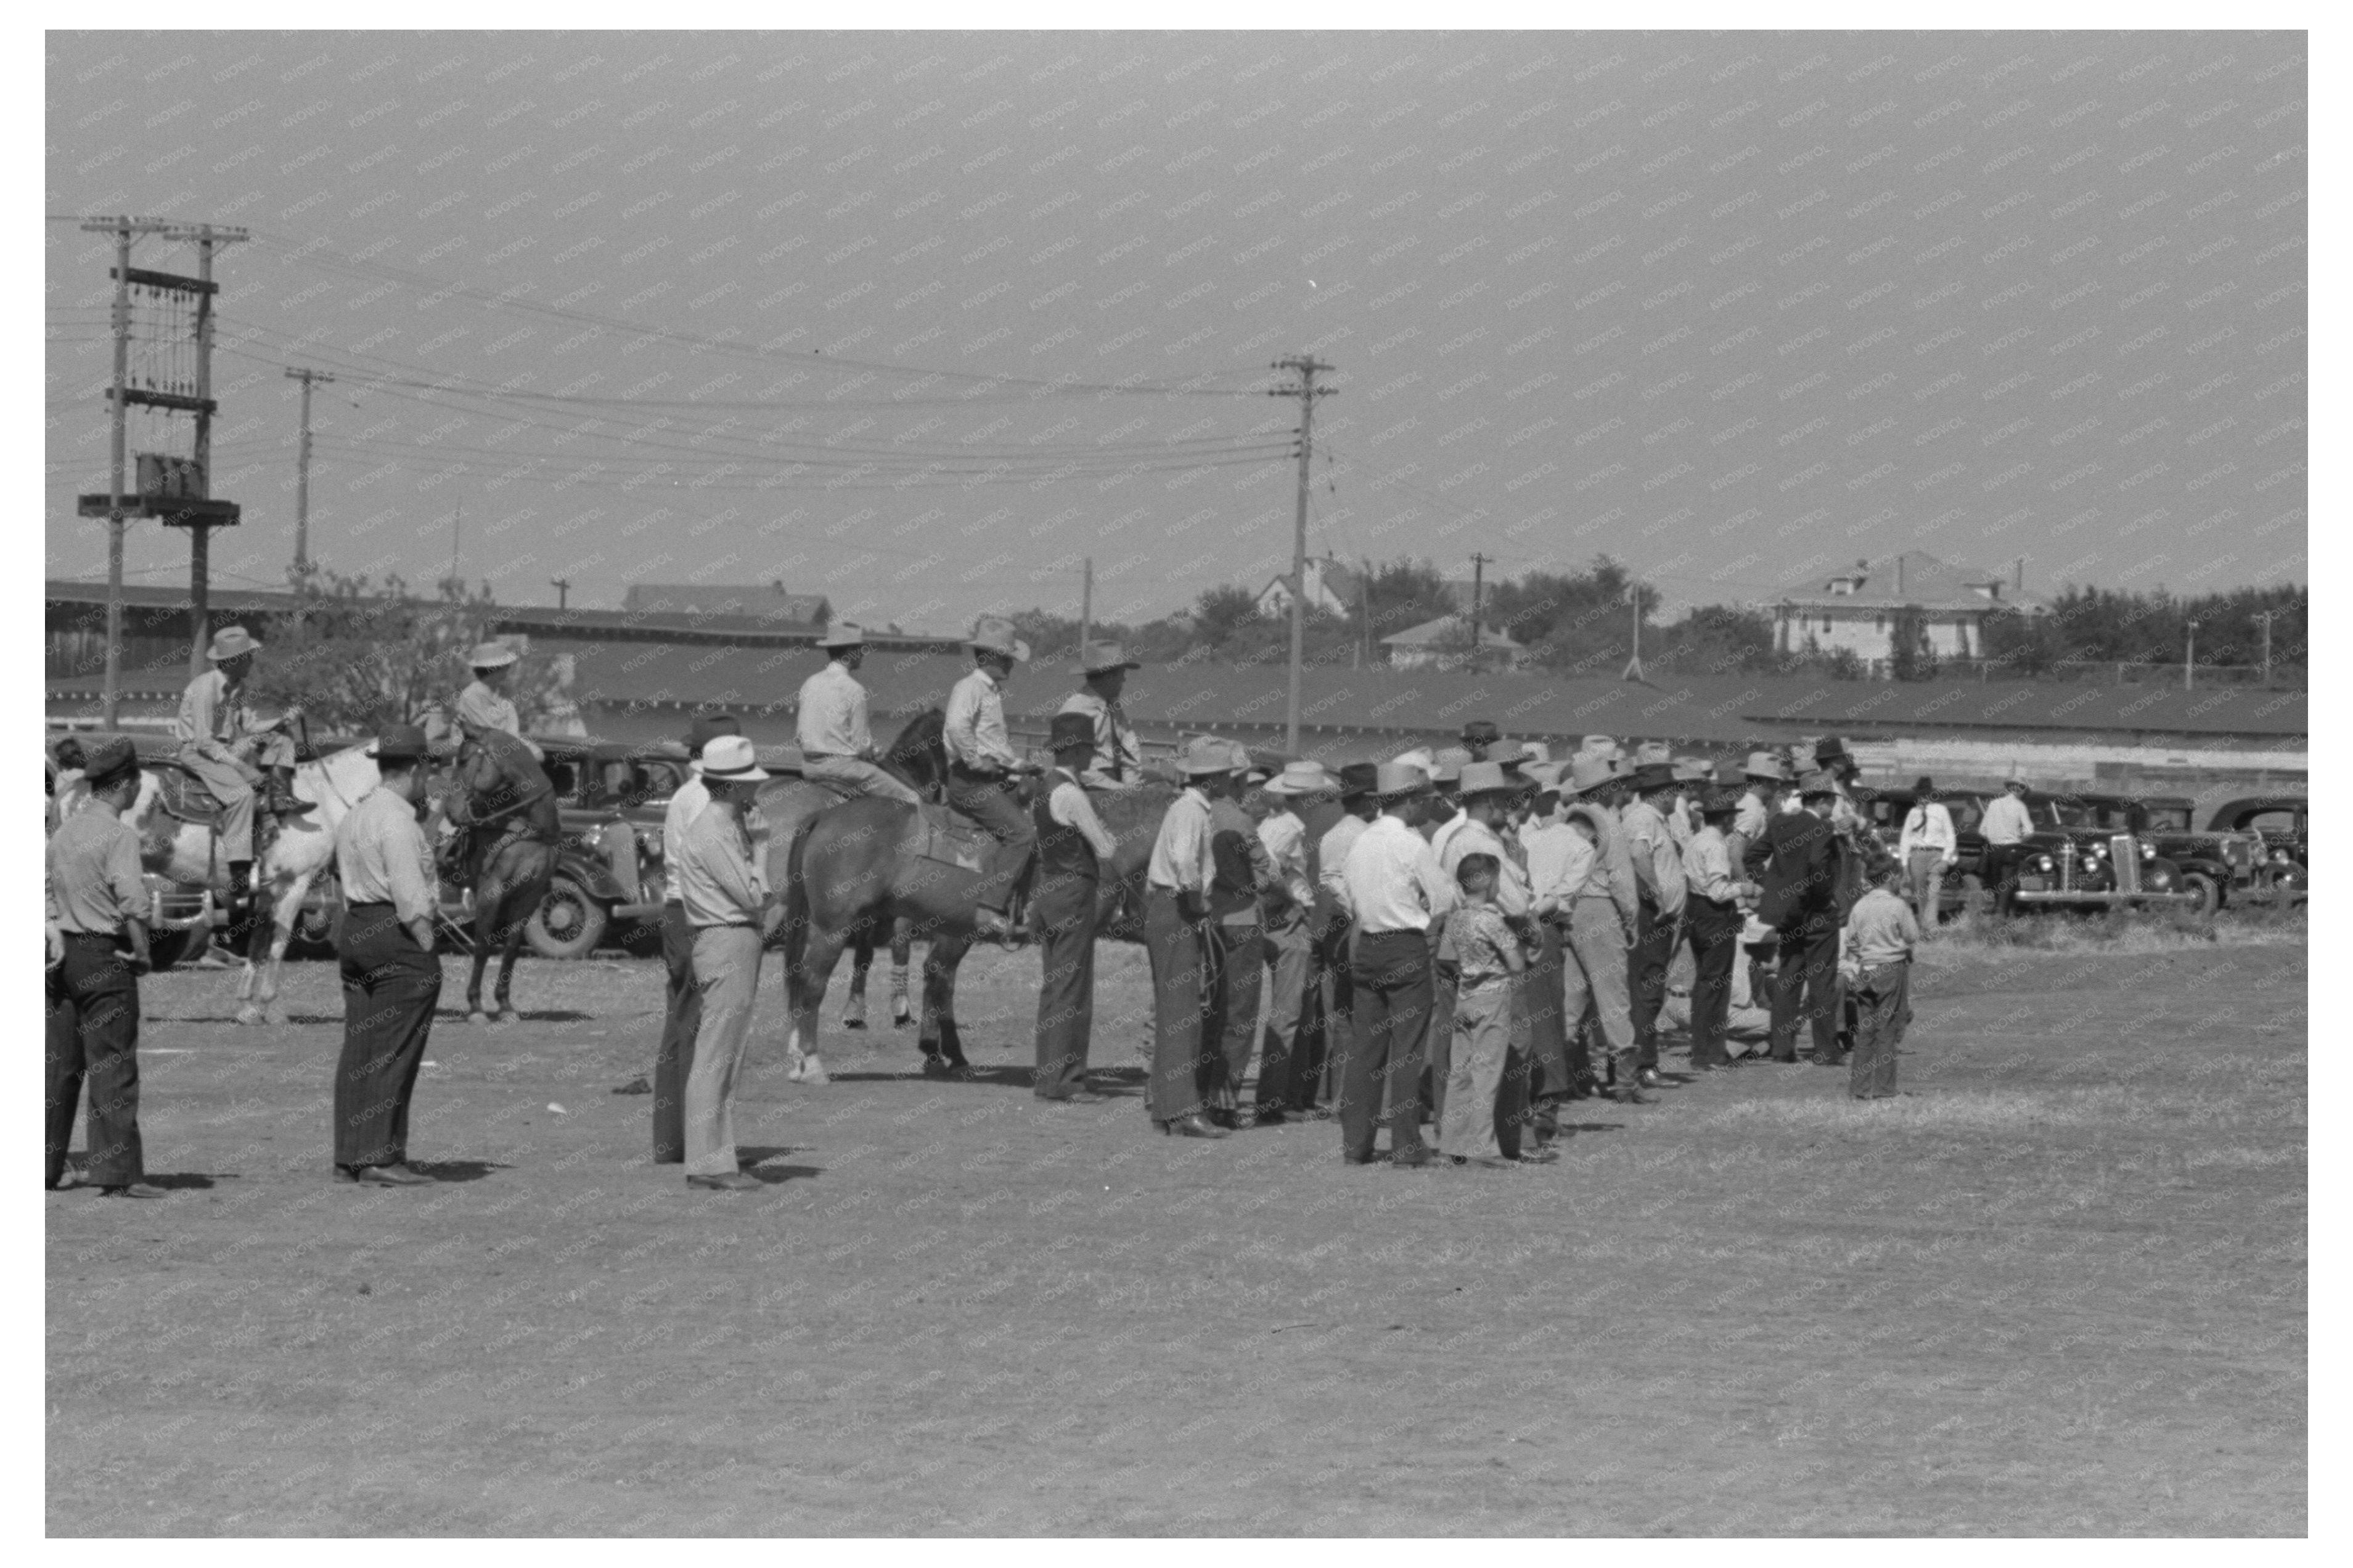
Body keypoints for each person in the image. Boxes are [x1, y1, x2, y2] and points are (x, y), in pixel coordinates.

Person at [46, 738, 160, 1197]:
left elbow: (48, 893)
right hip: (104, 955)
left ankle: (43, 1167)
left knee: (58, 1067)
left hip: (60, 956)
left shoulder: (64, 833)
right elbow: (132, 902)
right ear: (127, 785)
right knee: (112, 1062)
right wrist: (144, 953)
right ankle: (116, 1173)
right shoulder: (119, 836)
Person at [330, 725, 443, 1186]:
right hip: (394, 930)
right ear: (416, 769)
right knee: (395, 1049)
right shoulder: (397, 819)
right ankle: (380, 1154)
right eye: (428, 770)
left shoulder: (356, 814)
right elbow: (409, 891)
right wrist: (425, 939)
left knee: (361, 1047)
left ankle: (350, 1155)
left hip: (356, 925)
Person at [675, 735, 782, 1191]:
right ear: (735, 787)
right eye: (749, 787)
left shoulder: (717, 825)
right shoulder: (716, 830)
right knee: (718, 1054)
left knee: (723, 1053)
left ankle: (715, 1159)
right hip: (728, 938)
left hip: (728, 939)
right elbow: (754, 896)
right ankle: (708, 1163)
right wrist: (761, 847)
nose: (754, 794)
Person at [1337, 762, 1456, 1167]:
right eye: (1424, 801)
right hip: (1405, 946)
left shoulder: (1361, 841)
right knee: (1407, 1050)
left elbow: (1346, 891)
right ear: (1410, 802)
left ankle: (1356, 1144)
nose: (1427, 809)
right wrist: (1424, 915)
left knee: (1364, 1050)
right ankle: (1407, 1146)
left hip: (1368, 944)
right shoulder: (1412, 843)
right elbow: (1443, 899)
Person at [176, 626, 311, 922]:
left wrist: (281, 721)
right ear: (234, 659)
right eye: (249, 656)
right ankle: (237, 871)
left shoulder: (239, 687)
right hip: (199, 752)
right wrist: (243, 768)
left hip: (227, 747)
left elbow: (249, 727)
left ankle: (280, 794)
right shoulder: (204, 687)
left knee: (282, 740)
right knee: (241, 793)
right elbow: (203, 741)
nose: (252, 661)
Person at [652, 713, 740, 1163]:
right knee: (704, 1028)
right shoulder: (708, 798)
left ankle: (671, 1140)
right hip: (699, 914)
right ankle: (697, 1142)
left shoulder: (684, 795)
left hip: (676, 910)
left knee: (680, 1021)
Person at [1142, 736, 1235, 1139]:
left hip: (1168, 907)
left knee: (1177, 1010)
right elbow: (1183, 860)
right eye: (1226, 775)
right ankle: (1182, 1111)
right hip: (1178, 908)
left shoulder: (1189, 809)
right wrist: (1196, 902)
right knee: (1184, 1013)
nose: (1231, 781)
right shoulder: (1191, 812)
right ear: (1212, 779)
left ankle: (1168, 1105)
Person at [1433, 761, 1534, 1132]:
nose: (1509, 810)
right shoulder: (1482, 843)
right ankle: (1503, 1134)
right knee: (1508, 1043)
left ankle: (1457, 1131)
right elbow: (1518, 904)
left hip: (1457, 941)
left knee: (1460, 1045)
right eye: (1505, 802)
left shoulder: (1457, 837)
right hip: (1489, 949)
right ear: (1491, 802)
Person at [1033, 713, 1119, 1103]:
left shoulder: (1042, 788)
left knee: (1055, 986)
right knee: (1074, 986)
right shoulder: (1071, 793)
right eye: (1088, 748)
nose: (1091, 756)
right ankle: (1066, 1080)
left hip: (1049, 889)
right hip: (1074, 891)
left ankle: (1049, 1077)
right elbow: (1106, 848)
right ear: (1076, 749)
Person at [1552, 754, 1645, 1103]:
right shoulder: (1608, 824)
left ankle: (1559, 1080)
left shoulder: (1564, 822)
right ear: (1606, 788)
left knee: (1571, 998)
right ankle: (1625, 1082)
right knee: (1613, 997)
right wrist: (1631, 919)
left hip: (1570, 908)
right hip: (1600, 908)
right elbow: (1621, 881)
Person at [943, 616, 1038, 945]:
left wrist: (1017, 764)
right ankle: (989, 907)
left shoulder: (989, 692)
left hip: (987, 777)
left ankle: (1022, 908)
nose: (1012, 664)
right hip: (971, 781)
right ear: (990, 657)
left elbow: (992, 744)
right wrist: (975, 760)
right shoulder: (970, 688)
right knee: (1022, 834)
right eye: (1007, 657)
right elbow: (957, 728)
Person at [1438, 852, 1529, 1168]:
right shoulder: (1492, 919)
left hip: (1465, 999)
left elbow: (1446, 957)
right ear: (1486, 880)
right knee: (1486, 1074)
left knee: (1460, 1073)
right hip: (1492, 1001)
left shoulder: (1456, 917)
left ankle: (1452, 1144)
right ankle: (1484, 1148)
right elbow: (1516, 962)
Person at [1254, 759, 1332, 1125]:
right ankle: (1274, 1100)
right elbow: (1264, 872)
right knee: (1289, 1012)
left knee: (1296, 1010)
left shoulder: (1278, 823)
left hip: (1277, 919)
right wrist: (1293, 900)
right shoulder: (1288, 828)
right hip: (1287, 921)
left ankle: (1285, 1096)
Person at [1205, 742, 1279, 1126]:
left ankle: (1196, 1092)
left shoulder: (1198, 815)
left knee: (1207, 1011)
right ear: (1237, 782)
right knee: (1240, 1014)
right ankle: (1225, 1102)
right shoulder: (1242, 822)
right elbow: (1266, 875)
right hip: (1242, 923)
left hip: (1206, 923)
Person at [1759, 770, 1854, 1066]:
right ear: (1824, 801)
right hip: (1817, 912)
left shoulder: (1779, 823)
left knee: (1789, 977)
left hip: (1789, 912)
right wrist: (1824, 896)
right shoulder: (1822, 827)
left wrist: (1773, 888)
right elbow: (1817, 864)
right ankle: (1825, 1049)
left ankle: (1781, 1048)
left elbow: (1753, 856)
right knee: (1822, 981)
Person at [1309, 761, 1381, 1116]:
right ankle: (1351, 1096)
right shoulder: (1362, 834)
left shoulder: (1337, 833)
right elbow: (1337, 880)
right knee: (1360, 1013)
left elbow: (1330, 880)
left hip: (1340, 929)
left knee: (1344, 1013)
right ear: (1369, 799)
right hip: (1360, 930)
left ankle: (1340, 1094)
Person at [796, 623, 922, 804]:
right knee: (913, 800)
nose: (863, 654)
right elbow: (862, 745)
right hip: (842, 769)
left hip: (809, 767)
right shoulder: (854, 689)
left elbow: (801, 735)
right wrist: (874, 751)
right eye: (860, 649)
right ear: (850, 652)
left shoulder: (810, 682)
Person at [1619, 760, 1687, 1087]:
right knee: (1646, 990)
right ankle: (1643, 1064)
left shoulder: (1653, 819)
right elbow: (1638, 855)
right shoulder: (1644, 818)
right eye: (1674, 790)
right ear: (1663, 794)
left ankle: (1644, 1062)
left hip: (1659, 915)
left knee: (1652, 990)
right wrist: (1657, 894)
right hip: (1651, 913)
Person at [1683, 790, 1758, 1072]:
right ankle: (1710, 1053)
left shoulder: (1696, 841)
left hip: (1696, 911)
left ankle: (1704, 1049)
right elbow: (1718, 891)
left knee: (1706, 982)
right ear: (1726, 818)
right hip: (1715, 915)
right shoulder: (1716, 845)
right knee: (1716, 985)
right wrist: (1746, 888)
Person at [1843, 864, 1920, 1101]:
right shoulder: (1898, 905)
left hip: (1865, 969)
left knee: (1866, 1030)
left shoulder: (1860, 905)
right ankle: (1885, 1089)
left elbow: (1851, 941)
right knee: (1888, 1029)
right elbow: (1912, 936)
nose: (1902, 882)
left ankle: (1859, 1089)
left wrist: (1868, 952)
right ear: (1890, 878)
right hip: (1892, 969)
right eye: (1900, 878)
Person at [1058, 642, 1145, 790]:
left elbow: (1129, 747)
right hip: (1089, 787)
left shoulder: (1113, 706)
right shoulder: (1075, 709)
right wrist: (1119, 788)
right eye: (1121, 674)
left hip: (1114, 780)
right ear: (1109, 677)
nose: (1124, 680)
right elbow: (1075, 768)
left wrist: (1131, 784)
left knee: (1160, 781)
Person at [1896, 776, 1958, 936]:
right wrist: (1905, 865)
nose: (1923, 797)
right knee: (1920, 892)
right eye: (1921, 794)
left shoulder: (1941, 810)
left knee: (1934, 890)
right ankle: (1923, 925)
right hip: (1918, 854)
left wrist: (1945, 859)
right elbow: (1905, 839)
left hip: (1936, 854)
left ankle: (1931, 925)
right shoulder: (1913, 813)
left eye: (1926, 794)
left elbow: (1950, 835)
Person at [1979, 775, 2037, 919]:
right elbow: (2030, 831)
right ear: (2021, 791)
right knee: (2007, 883)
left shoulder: (1993, 804)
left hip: (1994, 849)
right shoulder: (2020, 806)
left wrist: (1995, 836)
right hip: (2011, 848)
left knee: (1997, 882)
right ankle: (2001, 914)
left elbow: (1982, 831)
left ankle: (1998, 913)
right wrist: (2019, 839)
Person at [456, 642, 525, 740]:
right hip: (479, 748)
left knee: (537, 753)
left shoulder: (502, 692)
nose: (508, 670)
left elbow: (512, 724)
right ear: (493, 670)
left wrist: (515, 743)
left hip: (506, 744)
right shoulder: (471, 695)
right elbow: (486, 731)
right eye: (505, 666)